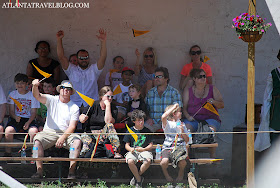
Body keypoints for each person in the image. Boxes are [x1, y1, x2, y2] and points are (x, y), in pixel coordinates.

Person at [31, 79, 82, 179]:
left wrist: (63, 137)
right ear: (59, 90)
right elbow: (37, 96)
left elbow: (72, 127)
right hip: (48, 132)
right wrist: (35, 86)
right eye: (63, 88)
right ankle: (39, 172)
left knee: (76, 142)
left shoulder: (74, 107)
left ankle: (71, 173)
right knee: (37, 142)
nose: (65, 90)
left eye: (68, 89)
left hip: (66, 134)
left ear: (71, 92)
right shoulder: (52, 99)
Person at [56, 28, 107, 108]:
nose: (84, 60)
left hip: (91, 105)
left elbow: (103, 57)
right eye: (81, 58)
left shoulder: (94, 70)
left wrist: (103, 42)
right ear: (77, 59)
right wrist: (59, 40)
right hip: (74, 105)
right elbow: (61, 57)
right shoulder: (71, 70)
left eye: (86, 57)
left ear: (89, 58)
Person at [182, 69, 224, 157]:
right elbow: (184, 108)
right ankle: (187, 156)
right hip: (193, 119)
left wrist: (213, 102)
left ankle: (212, 156)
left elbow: (221, 105)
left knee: (211, 131)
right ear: (194, 79)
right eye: (200, 77)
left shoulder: (213, 88)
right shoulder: (188, 91)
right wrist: (188, 116)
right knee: (186, 130)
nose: (203, 78)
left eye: (204, 76)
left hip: (210, 118)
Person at [79, 86, 122, 158]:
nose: (110, 98)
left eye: (112, 97)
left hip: (104, 134)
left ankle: (115, 150)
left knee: (109, 125)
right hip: (90, 132)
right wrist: (83, 118)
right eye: (108, 96)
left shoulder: (113, 108)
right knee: (86, 148)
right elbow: (81, 117)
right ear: (101, 96)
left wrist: (108, 106)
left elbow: (108, 121)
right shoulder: (93, 104)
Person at [5, 73, 40, 157]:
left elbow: (34, 112)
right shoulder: (12, 94)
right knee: (8, 131)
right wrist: (15, 117)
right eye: (17, 83)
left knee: (34, 131)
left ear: (27, 84)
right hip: (16, 119)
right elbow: (11, 111)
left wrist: (28, 122)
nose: (19, 85)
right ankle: (8, 153)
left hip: (29, 119)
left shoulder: (32, 95)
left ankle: (33, 154)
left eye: (22, 83)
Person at [255, 50, 280, 152]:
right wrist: (265, 114)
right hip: (276, 110)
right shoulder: (273, 74)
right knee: (275, 140)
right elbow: (267, 96)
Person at [145, 67, 183, 132]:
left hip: (169, 122)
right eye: (155, 76)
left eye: (159, 76)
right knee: (143, 130)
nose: (156, 78)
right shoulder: (150, 93)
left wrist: (172, 121)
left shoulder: (174, 92)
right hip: (153, 122)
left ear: (166, 78)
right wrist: (148, 118)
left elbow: (178, 110)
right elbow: (145, 109)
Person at [123, 110, 153, 187]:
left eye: (142, 120)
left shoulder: (147, 131)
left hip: (144, 150)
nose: (141, 122)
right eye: (139, 120)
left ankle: (136, 177)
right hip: (133, 151)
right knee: (130, 161)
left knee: (148, 160)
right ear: (134, 121)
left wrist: (143, 149)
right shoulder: (130, 131)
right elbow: (126, 145)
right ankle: (139, 180)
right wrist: (130, 149)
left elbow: (151, 145)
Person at [160, 103, 189, 182]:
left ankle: (181, 173)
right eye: (179, 111)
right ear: (174, 113)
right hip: (167, 148)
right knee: (164, 162)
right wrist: (174, 107)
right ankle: (166, 175)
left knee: (182, 162)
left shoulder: (182, 124)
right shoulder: (167, 123)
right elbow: (163, 116)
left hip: (179, 148)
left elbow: (187, 140)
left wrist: (183, 132)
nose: (181, 113)